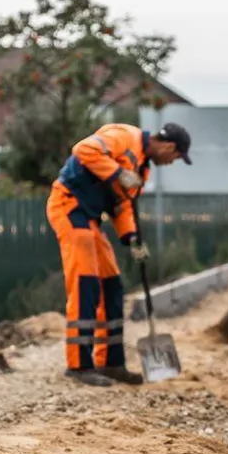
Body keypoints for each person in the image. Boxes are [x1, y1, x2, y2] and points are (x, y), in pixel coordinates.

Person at [46, 122, 192, 387]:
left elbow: (123, 205)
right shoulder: (125, 137)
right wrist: (118, 173)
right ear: (170, 147)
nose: (171, 163)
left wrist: (131, 238)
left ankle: (110, 362)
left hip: (90, 219)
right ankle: (79, 365)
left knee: (112, 285)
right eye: (176, 157)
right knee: (86, 284)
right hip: (69, 207)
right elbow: (83, 150)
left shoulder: (143, 169)